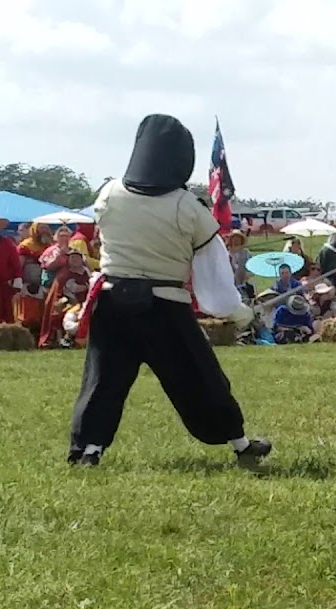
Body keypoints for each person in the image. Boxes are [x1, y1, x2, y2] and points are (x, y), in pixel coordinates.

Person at [67, 113, 271, 469]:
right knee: (199, 376)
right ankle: (241, 446)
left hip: (112, 303)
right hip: (164, 308)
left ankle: (88, 450)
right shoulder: (188, 208)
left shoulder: (109, 194)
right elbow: (213, 271)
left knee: (103, 379)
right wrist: (236, 311)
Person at [40, 249, 92, 348]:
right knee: (68, 317)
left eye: (77, 257)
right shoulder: (64, 275)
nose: (75, 260)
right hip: (70, 303)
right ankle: (66, 339)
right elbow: (63, 292)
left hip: (87, 302)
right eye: (72, 257)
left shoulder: (87, 272)